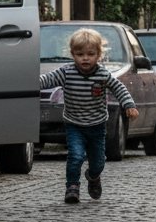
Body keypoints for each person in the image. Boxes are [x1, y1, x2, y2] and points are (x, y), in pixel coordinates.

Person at [39, 27, 139, 204]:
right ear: (72, 54)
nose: (85, 58)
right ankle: (72, 187)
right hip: (74, 124)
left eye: (90, 54)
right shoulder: (66, 72)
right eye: (80, 54)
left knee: (98, 162)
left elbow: (119, 88)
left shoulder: (102, 75)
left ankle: (93, 177)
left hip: (97, 125)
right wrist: (29, 82)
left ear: (98, 54)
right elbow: (47, 80)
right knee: (76, 156)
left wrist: (128, 104)